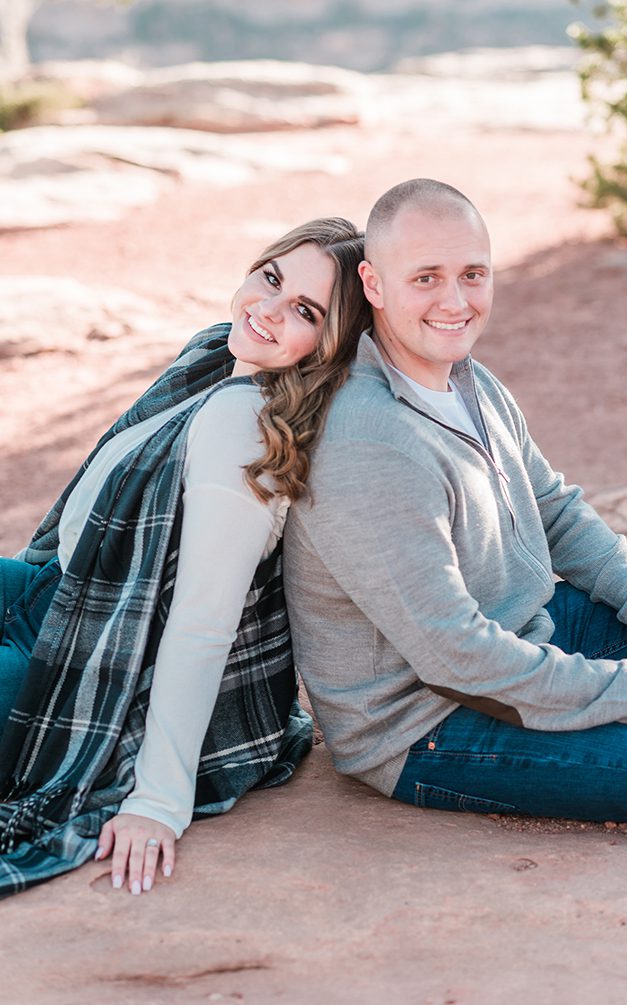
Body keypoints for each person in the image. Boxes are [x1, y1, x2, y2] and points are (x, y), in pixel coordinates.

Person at [282, 178, 627, 825]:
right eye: (426, 278)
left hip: (524, 630)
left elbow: (554, 509)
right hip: (431, 721)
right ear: (374, 286)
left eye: (472, 274)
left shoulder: (468, 377)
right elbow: (457, 656)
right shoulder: (368, 438)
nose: (455, 301)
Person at [0, 218, 369, 898]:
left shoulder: (243, 430)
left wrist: (157, 799)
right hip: (52, 591)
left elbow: (204, 623)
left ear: (334, 341)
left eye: (305, 312)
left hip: (79, 663)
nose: (268, 309)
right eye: (273, 278)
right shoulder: (211, 359)